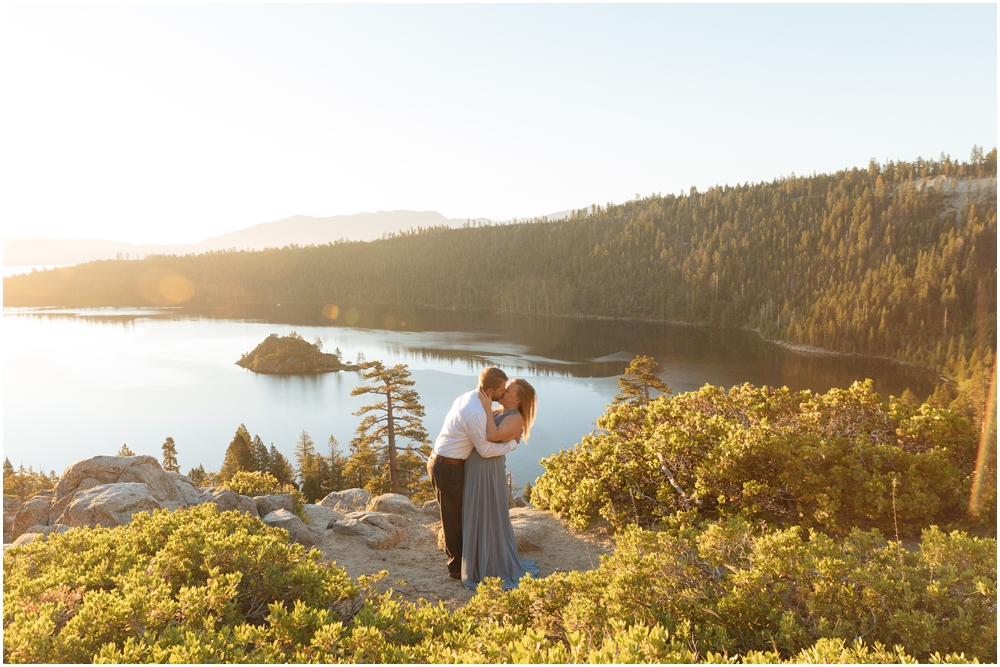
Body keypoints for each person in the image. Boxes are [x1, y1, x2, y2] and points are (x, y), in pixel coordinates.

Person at [428, 367, 519, 580]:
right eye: (501, 390)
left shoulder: (468, 397)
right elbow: (485, 450)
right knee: (453, 518)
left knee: (463, 514)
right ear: (490, 391)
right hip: (446, 467)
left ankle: (467, 562)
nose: (503, 394)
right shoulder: (475, 412)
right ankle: (456, 570)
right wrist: (511, 445)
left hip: (449, 463)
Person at [462, 377, 540, 590]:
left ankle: (491, 565)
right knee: (476, 511)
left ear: (517, 400)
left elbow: (491, 434)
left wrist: (487, 409)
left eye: (508, 391)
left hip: (488, 470)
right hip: (478, 466)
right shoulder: (500, 410)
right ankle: (479, 559)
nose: (503, 392)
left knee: (488, 513)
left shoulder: (515, 418)